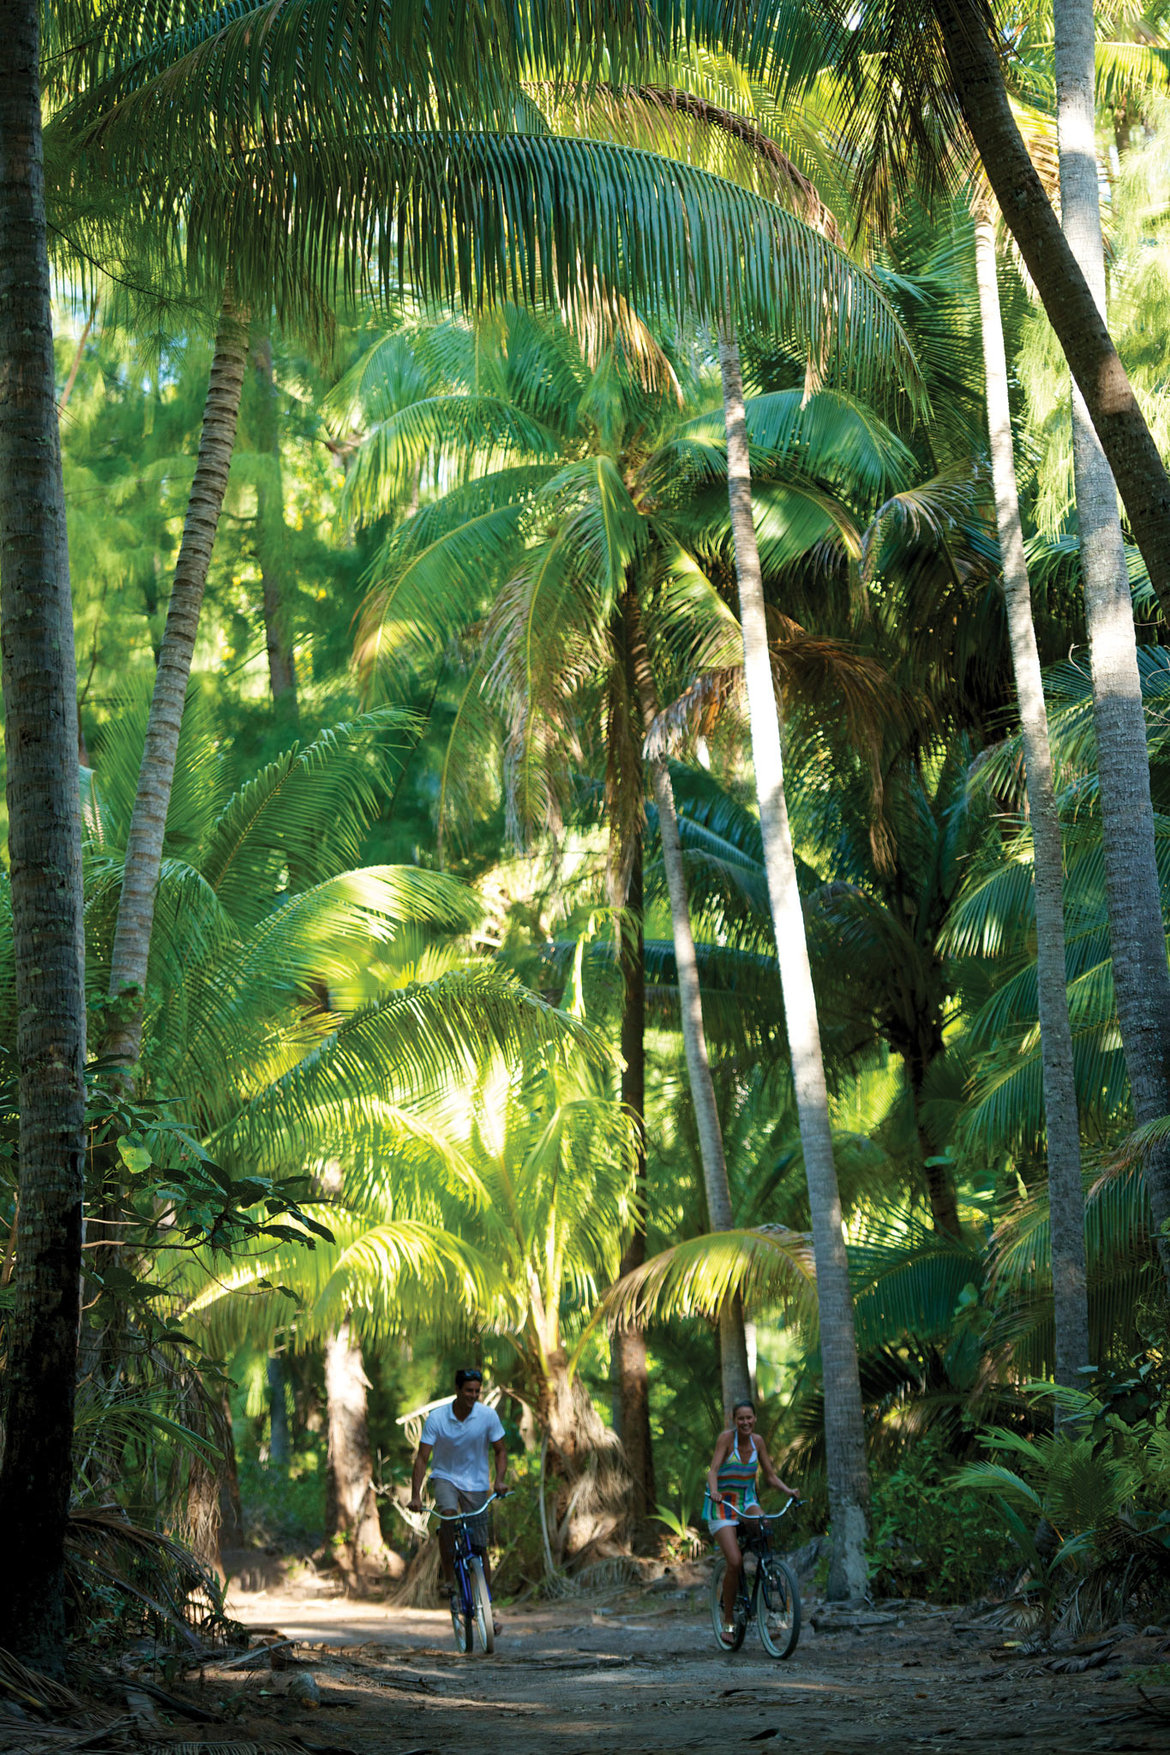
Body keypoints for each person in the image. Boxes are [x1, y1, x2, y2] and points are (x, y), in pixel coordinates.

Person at [408, 1367, 509, 1626]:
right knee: (449, 1515)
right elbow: (422, 1458)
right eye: (468, 1391)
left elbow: (500, 1450)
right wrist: (415, 1496)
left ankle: (487, 1609)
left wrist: (498, 1480)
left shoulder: (487, 1417)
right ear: (457, 1390)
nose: (473, 1396)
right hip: (444, 1477)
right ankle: (449, 1580)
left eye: (477, 1391)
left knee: (479, 1546)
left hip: (476, 1484)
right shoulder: (437, 1418)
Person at [704, 1399, 797, 1641]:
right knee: (734, 1561)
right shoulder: (726, 1439)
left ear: (755, 1419)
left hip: (746, 1501)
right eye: (740, 1418)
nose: (745, 1422)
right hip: (722, 1505)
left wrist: (788, 1491)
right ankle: (728, 1622)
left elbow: (770, 1476)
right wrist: (714, 1491)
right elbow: (712, 1470)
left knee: (766, 1529)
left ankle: (768, 1586)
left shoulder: (758, 1442)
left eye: (749, 1417)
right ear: (734, 1421)